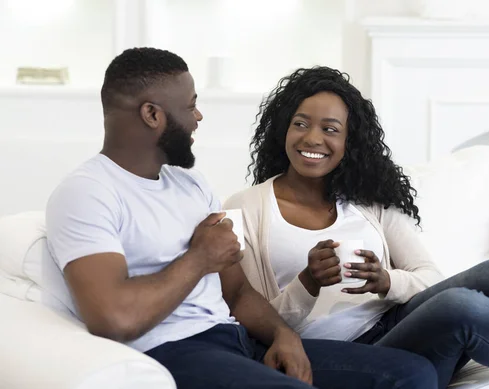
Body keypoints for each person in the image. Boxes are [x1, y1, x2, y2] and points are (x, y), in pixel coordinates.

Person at [45, 48, 437, 389]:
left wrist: (284, 336)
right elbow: (113, 319)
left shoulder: (190, 185)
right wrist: (198, 258)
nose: (198, 116)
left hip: (237, 340)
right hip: (175, 349)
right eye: (190, 105)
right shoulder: (87, 192)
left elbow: (237, 293)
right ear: (152, 114)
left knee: (412, 374)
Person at [224, 65, 489, 389]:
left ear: (349, 141)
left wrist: (388, 281)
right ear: (282, 130)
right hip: (351, 356)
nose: (312, 139)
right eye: (300, 124)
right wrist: (307, 284)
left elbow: (429, 277)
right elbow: (250, 319)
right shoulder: (243, 208)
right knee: (461, 306)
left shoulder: (368, 199)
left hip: (399, 323)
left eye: (330, 128)